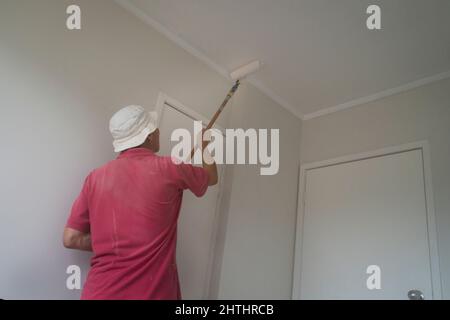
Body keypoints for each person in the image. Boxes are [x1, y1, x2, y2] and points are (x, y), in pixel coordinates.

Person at [62, 105, 217, 299]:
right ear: (149, 136)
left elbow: (71, 238)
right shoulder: (171, 167)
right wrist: (205, 146)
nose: (158, 133)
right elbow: (211, 178)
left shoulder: (95, 178)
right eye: (156, 129)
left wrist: (115, 242)